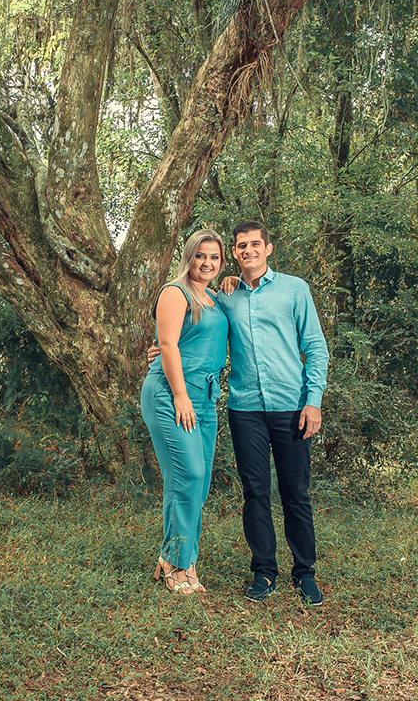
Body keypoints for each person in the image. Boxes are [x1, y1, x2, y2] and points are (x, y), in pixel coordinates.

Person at [148, 221, 329, 604]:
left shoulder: (289, 290)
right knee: (251, 492)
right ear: (236, 252)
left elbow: (315, 346)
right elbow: (175, 338)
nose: (248, 250)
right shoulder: (218, 295)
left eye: (255, 244)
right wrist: (162, 353)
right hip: (240, 407)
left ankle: (304, 573)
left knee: (295, 493)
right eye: (240, 246)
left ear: (268, 248)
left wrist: (313, 400)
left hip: (289, 404)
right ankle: (262, 573)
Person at [140, 229, 229, 595]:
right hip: (172, 394)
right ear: (189, 257)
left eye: (215, 258)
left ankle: (176, 557)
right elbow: (167, 344)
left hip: (206, 396)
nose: (207, 263)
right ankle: (178, 564)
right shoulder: (174, 292)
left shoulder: (214, 297)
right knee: (188, 475)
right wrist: (179, 394)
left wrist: (233, 283)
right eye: (200, 256)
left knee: (197, 481)